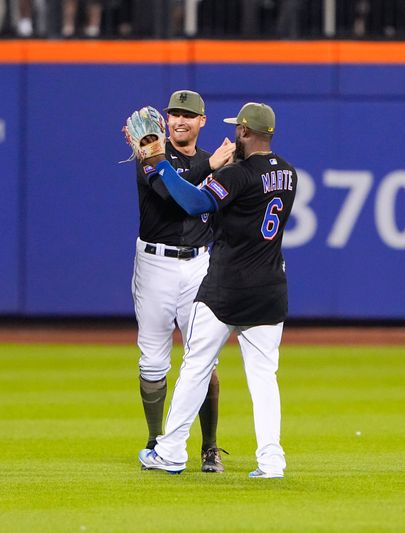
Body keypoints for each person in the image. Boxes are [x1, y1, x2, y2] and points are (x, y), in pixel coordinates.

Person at [136, 102, 296, 478]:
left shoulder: (238, 174)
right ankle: (271, 462)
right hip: (271, 287)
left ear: (243, 132)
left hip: (228, 286)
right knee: (263, 377)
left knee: (195, 365)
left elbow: (194, 203)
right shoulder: (289, 174)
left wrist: (160, 163)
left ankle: (171, 451)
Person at [131, 90, 234, 473]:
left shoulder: (213, 161)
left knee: (203, 356)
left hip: (198, 265)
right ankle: (156, 440)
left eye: (188, 116)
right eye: (174, 114)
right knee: (153, 359)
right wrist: (211, 166)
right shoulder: (150, 152)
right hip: (154, 263)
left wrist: (213, 166)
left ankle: (209, 446)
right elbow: (173, 194)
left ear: (201, 121)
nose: (179, 121)